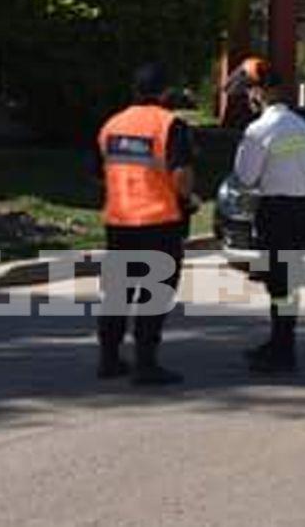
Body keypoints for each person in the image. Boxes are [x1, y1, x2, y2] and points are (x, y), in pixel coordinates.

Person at [95, 63, 199, 386]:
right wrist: (190, 197)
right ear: (165, 92)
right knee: (153, 294)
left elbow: (99, 171)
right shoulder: (171, 124)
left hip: (119, 220)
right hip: (159, 221)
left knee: (117, 293)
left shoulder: (112, 125)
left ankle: (109, 359)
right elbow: (180, 173)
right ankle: (146, 363)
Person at [231, 64, 305, 374]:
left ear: (259, 92)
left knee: (278, 283)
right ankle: (281, 341)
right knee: (287, 282)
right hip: (302, 210)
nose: (247, 97)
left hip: (276, 210)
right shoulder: (304, 127)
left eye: (248, 91)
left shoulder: (259, 130)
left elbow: (245, 176)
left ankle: (283, 350)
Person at [220, 55, 269, 129]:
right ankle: (230, 125)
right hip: (238, 84)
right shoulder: (248, 72)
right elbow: (255, 82)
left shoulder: (260, 69)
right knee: (236, 105)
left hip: (243, 80)